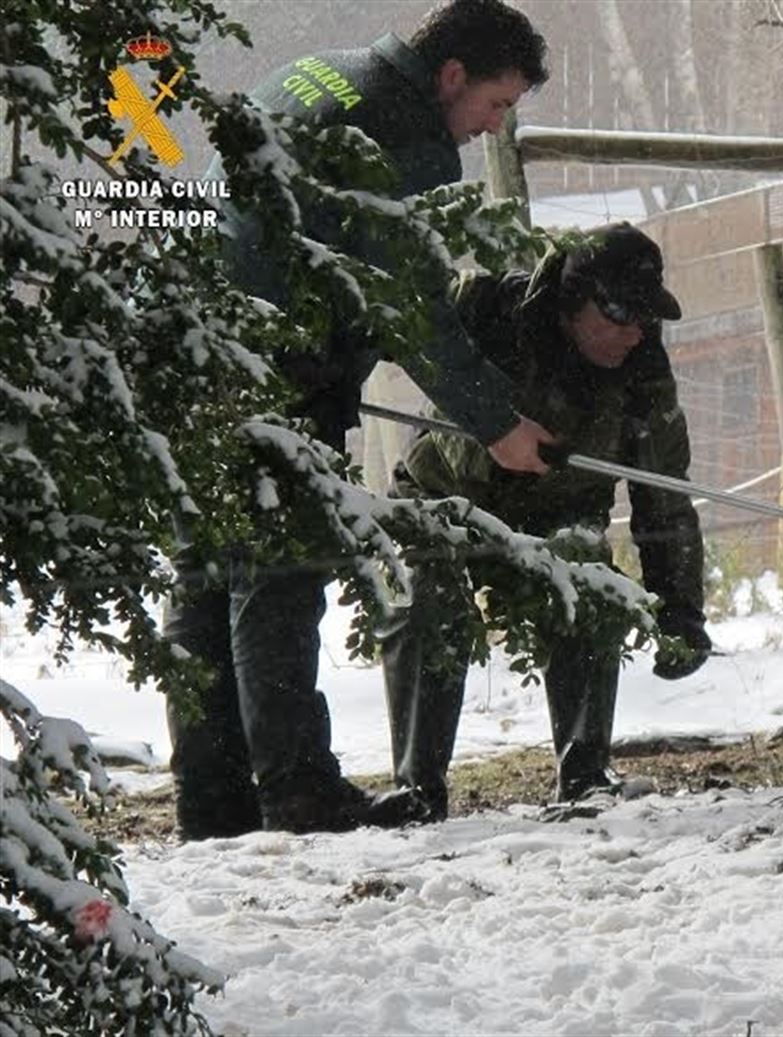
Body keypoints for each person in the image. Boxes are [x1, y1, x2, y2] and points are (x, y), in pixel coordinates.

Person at [165, 0, 553, 839]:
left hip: (189, 338)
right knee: (279, 570)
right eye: (495, 103)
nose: (493, 127)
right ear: (452, 74)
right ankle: (299, 793)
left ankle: (212, 801)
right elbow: (411, 305)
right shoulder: (403, 134)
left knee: (205, 576)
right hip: (275, 360)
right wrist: (497, 423)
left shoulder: (317, 73)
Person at [380, 223, 712, 821]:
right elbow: (403, 322)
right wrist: (493, 423)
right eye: (621, 315)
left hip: (559, 520)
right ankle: (418, 789)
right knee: (427, 604)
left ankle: (586, 775)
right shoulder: (487, 308)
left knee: (591, 587)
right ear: (574, 300)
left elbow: (664, 496)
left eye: (645, 318)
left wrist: (681, 611)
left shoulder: (644, 373)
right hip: (443, 503)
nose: (635, 333)